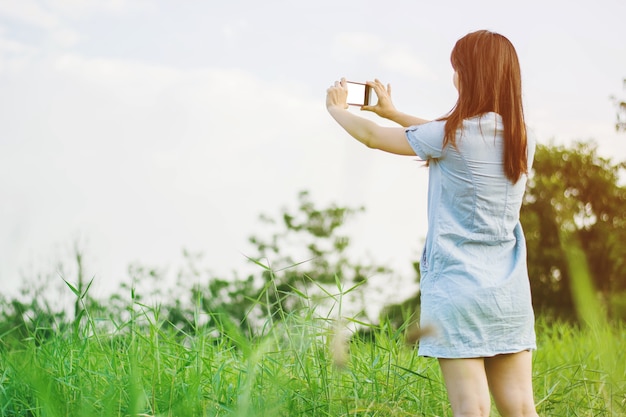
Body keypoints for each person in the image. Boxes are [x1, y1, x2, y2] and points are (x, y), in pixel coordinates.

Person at [326, 30, 539, 417]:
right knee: (522, 409)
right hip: (509, 296)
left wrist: (338, 109)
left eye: (458, 69)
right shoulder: (522, 137)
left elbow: (374, 138)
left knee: (471, 409)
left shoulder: (449, 136)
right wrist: (394, 113)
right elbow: (450, 135)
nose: (454, 77)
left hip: (458, 292)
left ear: (472, 75)